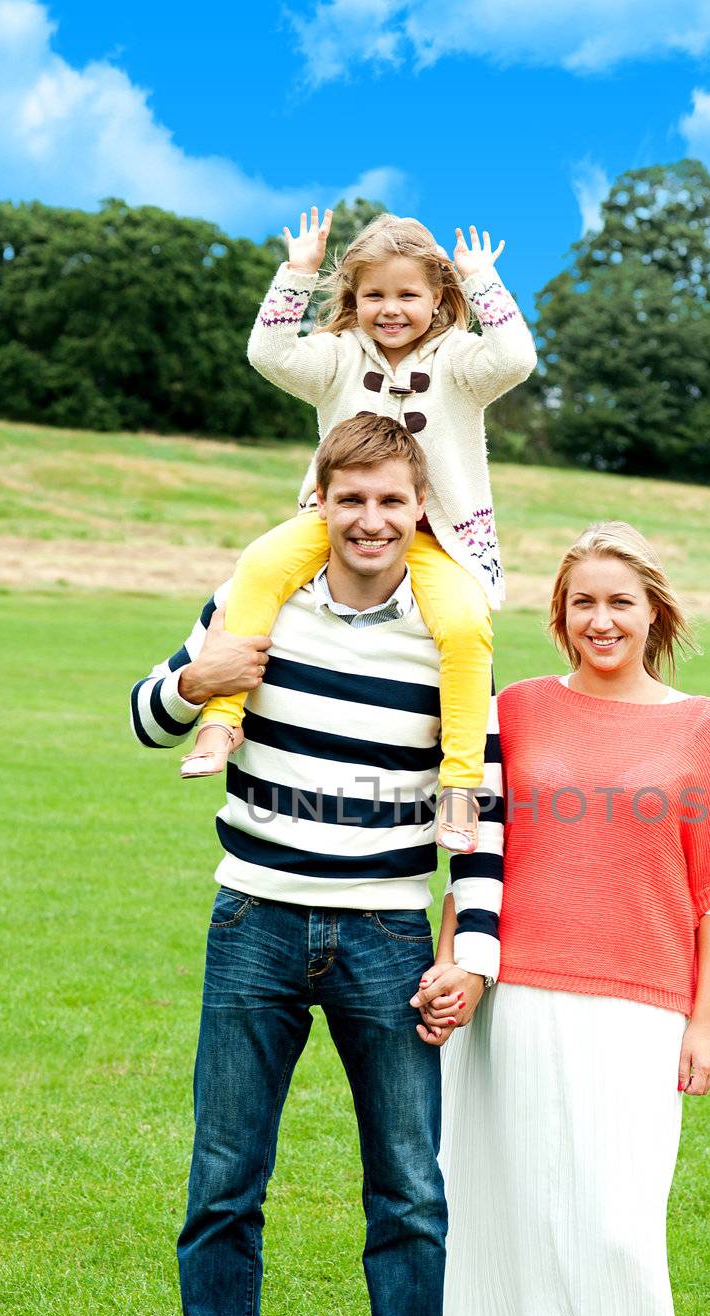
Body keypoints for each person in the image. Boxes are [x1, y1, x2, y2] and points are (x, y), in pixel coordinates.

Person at [129, 416, 503, 1316]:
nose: (372, 520)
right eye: (353, 499)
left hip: (388, 933)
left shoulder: (450, 629)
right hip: (255, 920)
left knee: (409, 1191)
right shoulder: (254, 600)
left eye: (393, 501)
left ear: (419, 509)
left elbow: (489, 802)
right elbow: (145, 712)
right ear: (321, 503)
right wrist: (198, 685)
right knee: (224, 1182)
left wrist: (468, 953)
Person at [413, 522, 710, 1316]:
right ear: (559, 617)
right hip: (520, 1000)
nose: (601, 619)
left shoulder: (700, 723)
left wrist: (706, 1020)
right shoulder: (514, 711)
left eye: (620, 601)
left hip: (646, 1007)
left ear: (654, 612)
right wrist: (452, 964)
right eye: (583, 603)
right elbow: (473, 856)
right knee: (541, 1214)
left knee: (621, 1222)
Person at [180, 209, 537, 856]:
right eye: (374, 294)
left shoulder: (460, 361)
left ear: (438, 296)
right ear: (352, 298)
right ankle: (221, 721)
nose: (390, 308)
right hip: (335, 523)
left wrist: (482, 279)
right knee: (256, 569)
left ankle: (458, 788)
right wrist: (297, 273)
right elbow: (268, 352)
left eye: (408, 294)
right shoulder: (337, 358)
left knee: (463, 628)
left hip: (437, 539)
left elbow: (516, 357)